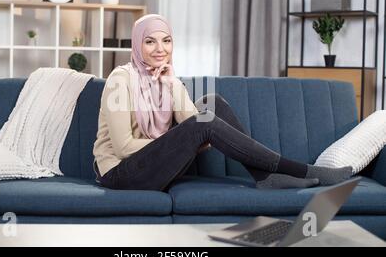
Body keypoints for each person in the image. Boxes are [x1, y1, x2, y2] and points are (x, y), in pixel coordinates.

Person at [92, 14, 352, 191]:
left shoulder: (164, 77)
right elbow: (124, 147)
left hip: (155, 164)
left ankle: (265, 177)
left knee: (212, 104)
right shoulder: (120, 79)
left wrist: (172, 84)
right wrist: (185, 139)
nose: (160, 49)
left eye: (166, 40)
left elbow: (191, 121)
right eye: (150, 41)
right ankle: (302, 170)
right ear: (138, 45)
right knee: (202, 122)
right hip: (120, 174)